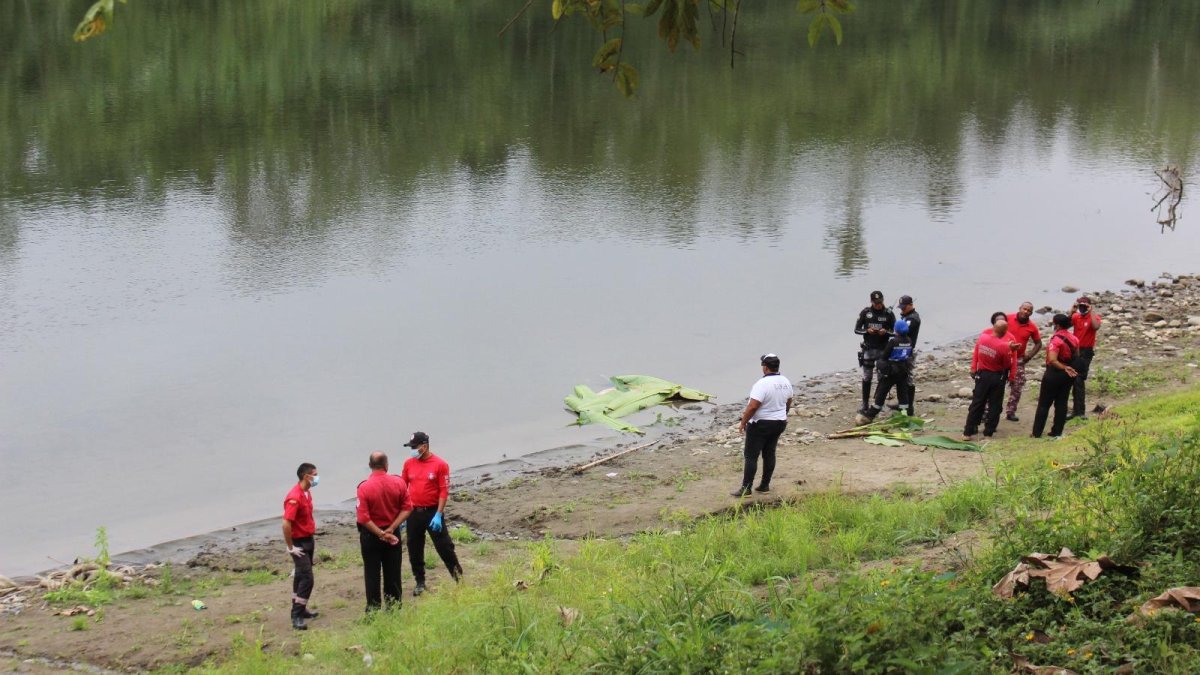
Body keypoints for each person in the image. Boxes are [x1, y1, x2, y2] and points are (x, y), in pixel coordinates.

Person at [400, 432, 463, 596]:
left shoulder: (440, 464)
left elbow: (443, 491)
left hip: (433, 512)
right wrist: (402, 513)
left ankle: (458, 579)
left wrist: (438, 514)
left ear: (424, 446)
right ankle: (420, 582)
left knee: (445, 547)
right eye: (411, 447)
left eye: (414, 447)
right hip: (414, 512)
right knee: (414, 548)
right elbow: (402, 487)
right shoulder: (408, 464)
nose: (412, 450)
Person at [356, 452, 412, 612]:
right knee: (393, 571)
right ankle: (394, 606)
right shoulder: (398, 483)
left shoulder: (364, 487)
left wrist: (380, 534)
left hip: (371, 535)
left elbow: (363, 518)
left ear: (370, 465)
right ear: (386, 465)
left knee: (372, 572)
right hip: (392, 533)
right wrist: (392, 528)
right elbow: (407, 508)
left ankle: (373, 609)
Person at [731, 354, 793, 497]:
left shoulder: (762, 384)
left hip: (761, 424)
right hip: (779, 423)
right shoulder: (786, 382)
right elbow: (789, 401)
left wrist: (743, 422)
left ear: (765, 367)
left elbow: (753, 406)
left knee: (751, 456)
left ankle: (746, 488)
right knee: (769, 453)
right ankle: (765, 485)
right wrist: (783, 414)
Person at [963, 312, 1019, 441]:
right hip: (997, 376)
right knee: (995, 405)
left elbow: (977, 351)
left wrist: (975, 366)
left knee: (977, 403)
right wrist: (1010, 351)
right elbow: (1007, 363)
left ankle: (967, 432)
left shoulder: (983, 337)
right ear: (1005, 332)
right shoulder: (1003, 346)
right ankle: (988, 433)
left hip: (982, 375)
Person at [282, 462, 319, 631]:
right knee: (307, 578)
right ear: (306, 476)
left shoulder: (306, 493)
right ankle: (296, 614)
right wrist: (290, 547)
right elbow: (286, 524)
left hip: (308, 539)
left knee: (299, 576)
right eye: (315, 474)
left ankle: (301, 608)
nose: (317, 478)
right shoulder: (294, 497)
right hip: (299, 543)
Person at [1032, 314, 1080, 438]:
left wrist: (1063, 367)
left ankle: (1037, 432)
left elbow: (1053, 359)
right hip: (1067, 375)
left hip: (1054, 373)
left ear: (1057, 325)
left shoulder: (1056, 340)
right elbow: (1076, 355)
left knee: (1044, 404)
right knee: (1062, 403)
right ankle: (1057, 431)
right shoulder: (1074, 339)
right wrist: (1068, 367)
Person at [862, 319, 914, 422]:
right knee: (903, 394)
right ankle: (905, 416)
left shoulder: (893, 341)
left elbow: (885, 356)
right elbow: (910, 355)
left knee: (881, 392)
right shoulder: (909, 340)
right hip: (903, 370)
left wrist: (881, 367)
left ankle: (870, 415)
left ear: (896, 329)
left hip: (891, 371)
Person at [854, 290, 896, 414]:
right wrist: (867, 331)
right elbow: (856, 329)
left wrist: (886, 332)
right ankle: (865, 403)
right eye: (876, 303)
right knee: (867, 377)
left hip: (883, 349)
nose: (879, 305)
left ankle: (879, 403)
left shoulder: (888, 314)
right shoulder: (866, 313)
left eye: (880, 302)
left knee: (882, 377)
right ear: (872, 302)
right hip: (868, 349)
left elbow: (895, 332)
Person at [1003, 302, 1044, 423]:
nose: (1026, 312)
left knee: (1018, 385)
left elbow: (1039, 343)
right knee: (996, 385)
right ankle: (987, 411)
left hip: (1018, 359)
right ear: (1019, 308)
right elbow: (995, 331)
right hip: (1003, 357)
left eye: (1029, 310)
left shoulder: (1032, 327)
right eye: (1024, 309)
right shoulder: (1007, 318)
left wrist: (1029, 356)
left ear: (1031, 313)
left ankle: (1011, 411)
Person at [1069, 295, 1102, 420]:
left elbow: (1096, 326)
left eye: (1084, 305)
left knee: (1079, 379)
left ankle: (1080, 411)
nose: (1082, 307)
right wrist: (1072, 310)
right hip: (1075, 350)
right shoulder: (1076, 316)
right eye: (1080, 305)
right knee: (1073, 380)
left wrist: (1091, 310)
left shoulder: (1093, 317)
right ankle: (1076, 410)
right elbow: (1065, 324)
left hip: (1086, 351)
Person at [888, 295, 922, 415]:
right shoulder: (905, 317)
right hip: (901, 349)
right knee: (900, 378)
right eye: (901, 308)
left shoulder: (913, 318)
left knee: (907, 378)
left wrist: (890, 332)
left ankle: (909, 406)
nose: (901, 310)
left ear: (910, 305)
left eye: (904, 307)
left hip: (908, 351)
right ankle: (903, 402)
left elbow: (902, 331)